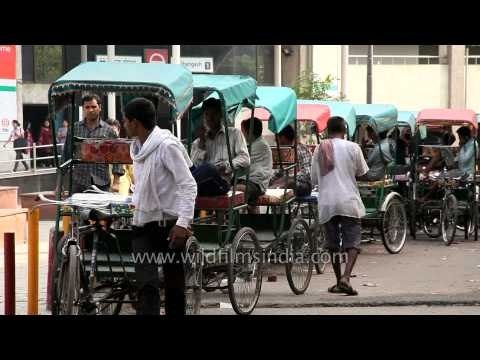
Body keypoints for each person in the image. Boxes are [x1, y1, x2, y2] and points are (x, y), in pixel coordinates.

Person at [123, 97, 197, 315]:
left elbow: (188, 185)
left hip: (169, 227)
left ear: (135, 122)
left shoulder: (167, 146)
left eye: (125, 121)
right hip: (142, 223)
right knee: (146, 285)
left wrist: (183, 223)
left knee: (174, 286)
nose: (124, 125)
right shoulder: (137, 148)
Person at [311, 116, 369, 296]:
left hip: (327, 202)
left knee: (332, 243)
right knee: (353, 242)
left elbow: (313, 178)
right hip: (348, 200)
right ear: (344, 130)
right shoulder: (353, 147)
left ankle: (338, 281)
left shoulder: (320, 149)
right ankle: (345, 278)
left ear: (328, 130)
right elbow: (362, 173)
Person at [62, 94, 124, 193]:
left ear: (100, 108)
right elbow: (66, 155)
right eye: (87, 107)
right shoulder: (74, 129)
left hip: (101, 182)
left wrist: (116, 182)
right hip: (79, 182)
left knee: (100, 208)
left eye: (93, 107)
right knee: (77, 208)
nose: (90, 110)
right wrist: (59, 184)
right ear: (83, 109)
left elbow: (117, 158)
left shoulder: (109, 131)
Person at [190, 98, 250, 196]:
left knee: (209, 168)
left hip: (221, 182)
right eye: (206, 115)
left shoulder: (234, 134)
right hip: (201, 183)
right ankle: (184, 188)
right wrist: (202, 144)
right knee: (191, 169)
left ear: (221, 115)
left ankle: (183, 188)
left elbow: (245, 158)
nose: (210, 118)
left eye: (214, 114)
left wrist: (227, 165)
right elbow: (194, 168)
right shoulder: (198, 141)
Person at [237, 117, 273, 212]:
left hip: (257, 183)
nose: (242, 135)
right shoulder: (252, 144)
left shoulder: (260, 145)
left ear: (249, 131)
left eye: (243, 132)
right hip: (248, 180)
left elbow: (241, 161)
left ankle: (237, 219)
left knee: (235, 190)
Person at [270, 125, 312, 197]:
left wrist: (288, 178)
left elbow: (306, 172)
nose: (275, 141)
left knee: (287, 183)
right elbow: (280, 172)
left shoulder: (301, 149)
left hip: (304, 184)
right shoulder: (284, 151)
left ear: (282, 137)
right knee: (272, 186)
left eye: (276, 138)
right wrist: (270, 180)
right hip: (286, 181)